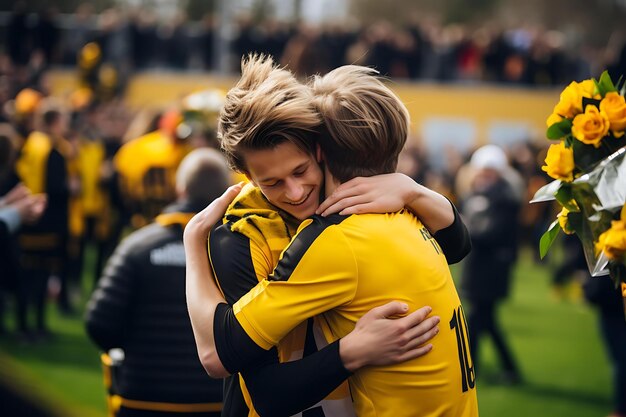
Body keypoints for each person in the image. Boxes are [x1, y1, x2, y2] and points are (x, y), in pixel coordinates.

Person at [185, 58, 476, 417]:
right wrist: (193, 244)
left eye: (300, 170)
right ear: (246, 175)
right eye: (272, 182)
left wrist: (412, 190)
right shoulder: (243, 235)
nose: (293, 192)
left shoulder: (365, 207)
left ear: (318, 149)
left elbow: (457, 244)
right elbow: (236, 368)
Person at [84, 148, 230, 417]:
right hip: (216, 401)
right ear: (226, 191)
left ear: (180, 188)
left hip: (141, 398)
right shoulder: (241, 253)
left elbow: (99, 323)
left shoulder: (137, 246)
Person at [459, 144, 523, 384]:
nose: (484, 175)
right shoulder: (475, 193)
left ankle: (469, 368)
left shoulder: (505, 198)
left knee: (476, 320)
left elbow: (493, 234)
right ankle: (509, 369)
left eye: (489, 171)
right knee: (486, 321)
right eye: (482, 171)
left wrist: (465, 229)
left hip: (491, 270)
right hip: (476, 267)